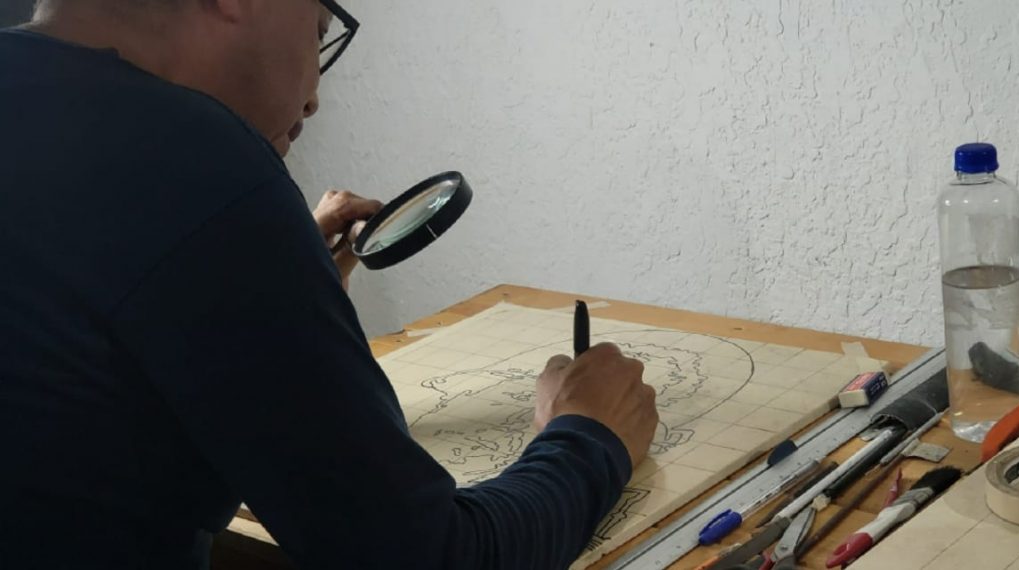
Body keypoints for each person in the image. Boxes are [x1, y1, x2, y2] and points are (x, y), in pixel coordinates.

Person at [0, 1, 660, 568]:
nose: (315, 95)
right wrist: (588, 435)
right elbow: (428, 556)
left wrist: (259, 292)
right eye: (319, 29)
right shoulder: (198, 165)